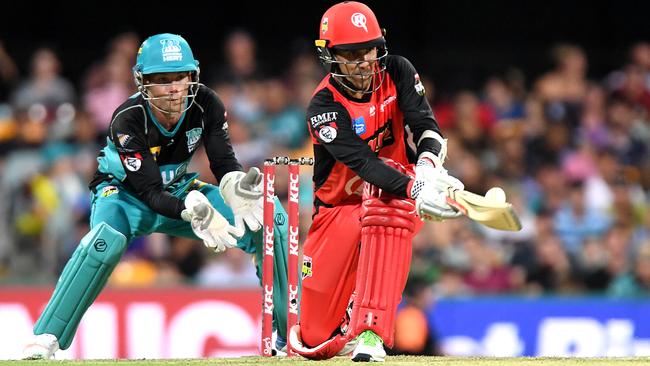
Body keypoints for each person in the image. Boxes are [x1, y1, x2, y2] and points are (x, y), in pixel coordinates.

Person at [22, 33, 292, 359]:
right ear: (142, 82)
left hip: (179, 189)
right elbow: (149, 192)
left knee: (269, 212)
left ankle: (289, 328)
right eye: (161, 80)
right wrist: (190, 209)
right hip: (123, 195)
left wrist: (236, 187)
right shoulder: (128, 119)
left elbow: (223, 163)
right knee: (104, 242)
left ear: (193, 76)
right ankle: (45, 337)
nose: (173, 88)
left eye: (180, 77)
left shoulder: (207, 103)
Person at [288, 2, 463, 362]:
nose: (363, 62)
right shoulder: (323, 106)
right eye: (350, 55)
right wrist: (416, 188)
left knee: (386, 206)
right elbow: (364, 164)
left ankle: (371, 333)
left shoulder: (397, 70)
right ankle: (349, 320)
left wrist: (427, 167)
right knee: (315, 338)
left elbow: (425, 126)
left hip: (394, 197)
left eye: (368, 51)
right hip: (337, 212)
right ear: (330, 56)